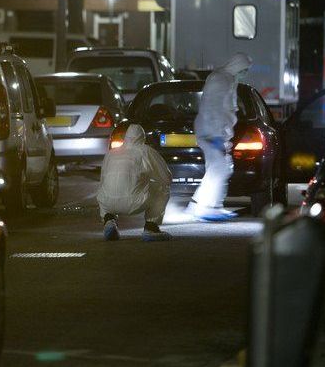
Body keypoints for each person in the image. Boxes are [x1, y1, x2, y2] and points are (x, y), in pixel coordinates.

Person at [187, 53, 253, 221]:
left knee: (220, 169)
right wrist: (215, 135)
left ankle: (208, 205)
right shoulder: (221, 79)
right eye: (244, 69)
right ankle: (205, 206)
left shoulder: (227, 79)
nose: (244, 73)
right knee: (218, 169)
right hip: (212, 132)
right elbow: (213, 108)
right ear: (237, 66)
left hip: (216, 132)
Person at [97, 124, 172, 241]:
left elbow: (102, 181)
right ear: (143, 137)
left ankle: (109, 220)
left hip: (107, 203)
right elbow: (166, 178)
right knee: (163, 188)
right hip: (134, 202)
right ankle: (151, 228)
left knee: (104, 188)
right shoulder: (146, 151)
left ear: (126, 137)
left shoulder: (111, 153)